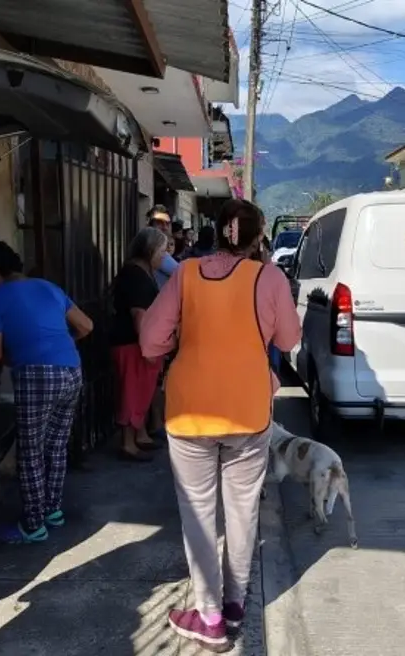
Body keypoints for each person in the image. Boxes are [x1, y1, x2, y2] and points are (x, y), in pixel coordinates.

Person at [140, 198, 301, 651]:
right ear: (256, 237)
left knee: (198, 514)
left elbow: (151, 342)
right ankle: (234, 604)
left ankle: (207, 616)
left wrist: (183, 337)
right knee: (243, 509)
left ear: (214, 230)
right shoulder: (270, 276)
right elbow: (289, 339)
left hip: (190, 411)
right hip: (248, 412)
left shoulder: (185, 274)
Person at [0, 241, 94, 544]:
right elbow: (86, 326)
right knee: (55, 445)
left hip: (37, 374)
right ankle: (52, 510)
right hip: (71, 369)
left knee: (30, 451)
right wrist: (59, 345)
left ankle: (33, 524)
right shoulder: (48, 287)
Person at [111, 227, 169, 462]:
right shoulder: (135, 275)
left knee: (140, 392)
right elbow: (139, 315)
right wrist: (148, 347)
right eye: (162, 251)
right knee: (131, 393)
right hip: (132, 344)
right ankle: (127, 443)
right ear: (150, 250)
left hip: (137, 343)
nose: (164, 257)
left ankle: (139, 436)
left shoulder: (141, 272)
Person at [148, 205, 180, 288]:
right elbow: (184, 275)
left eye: (167, 223)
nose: (165, 227)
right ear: (150, 226)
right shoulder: (156, 252)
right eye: (159, 223)